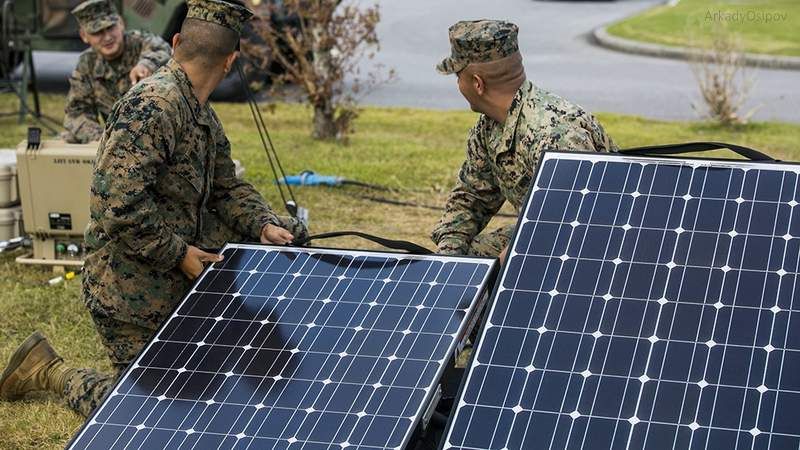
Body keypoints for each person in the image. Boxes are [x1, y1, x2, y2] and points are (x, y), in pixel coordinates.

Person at [0, 0, 306, 417]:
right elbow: (116, 206)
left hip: (178, 276)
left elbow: (225, 187)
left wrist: (263, 223)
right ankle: (49, 370)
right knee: (152, 412)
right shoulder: (154, 106)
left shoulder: (199, 110)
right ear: (232, 60)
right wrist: (179, 254)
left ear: (176, 41)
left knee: (220, 390)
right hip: (128, 292)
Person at [431, 20, 618, 262]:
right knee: (470, 258)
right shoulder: (490, 126)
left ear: (477, 84)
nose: (458, 84)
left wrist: (504, 265)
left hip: (598, 247)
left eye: (458, 76)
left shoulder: (555, 135)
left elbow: (579, 224)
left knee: (490, 270)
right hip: (544, 236)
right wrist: (447, 259)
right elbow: (471, 198)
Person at [62, 0, 171, 143]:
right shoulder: (87, 63)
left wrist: (146, 65)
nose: (107, 37)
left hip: (156, 135)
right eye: (97, 32)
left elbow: (162, 49)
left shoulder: (141, 42)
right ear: (84, 36)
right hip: (114, 140)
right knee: (68, 138)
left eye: (110, 27)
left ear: (121, 23)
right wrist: (102, 139)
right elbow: (76, 113)